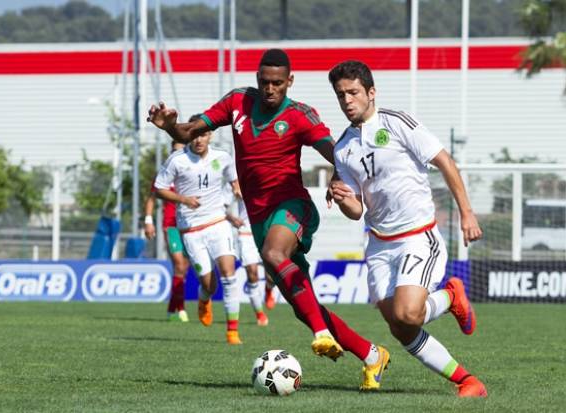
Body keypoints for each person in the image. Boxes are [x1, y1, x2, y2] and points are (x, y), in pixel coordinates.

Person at [147, 49, 390, 391]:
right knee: (304, 305)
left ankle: (321, 334)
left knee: (276, 256)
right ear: (257, 79)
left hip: (293, 207)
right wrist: (169, 125)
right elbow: (189, 132)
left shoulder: (300, 115)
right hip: (259, 217)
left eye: (278, 83)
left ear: (289, 81)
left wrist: (340, 180)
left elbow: (337, 152)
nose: (270, 89)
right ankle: (371, 355)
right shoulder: (237, 102)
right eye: (264, 82)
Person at [328, 60, 487, 397]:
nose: (347, 100)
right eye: (341, 95)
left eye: (353, 92)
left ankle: (450, 296)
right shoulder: (342, 147)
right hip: (378, 244)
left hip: (418, 236)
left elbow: (444, 161)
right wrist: (343, 199)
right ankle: (467, 381)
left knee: (409, 313)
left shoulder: (397, 123)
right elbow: (357, 210)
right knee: (399, 327)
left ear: (371, 93)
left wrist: (467, 213)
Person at [153, 114, 243, 345]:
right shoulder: (177, 160)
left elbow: (235, 181)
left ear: (210, 134)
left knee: (229, 275)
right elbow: (158, 189)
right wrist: (183, 199)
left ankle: (232, 331)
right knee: (208, 284)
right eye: (194, 134)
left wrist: (237, 189)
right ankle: (204, 298)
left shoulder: (223, 157)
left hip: (218, 222)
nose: (198, 139)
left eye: (203, 134)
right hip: (191, 229)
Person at [144, 141, 190, 322]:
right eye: (174, 150)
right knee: (179, 264)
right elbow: (151, 198)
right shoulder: (164, 174)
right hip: (170, 225)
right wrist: (148, 221)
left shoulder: (191, 172)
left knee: (184, 268)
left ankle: (173, 308)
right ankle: (182, 309)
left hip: (190, 225)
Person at [223, 187, 270, 326]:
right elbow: (219, 207)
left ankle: (269, 288)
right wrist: (232, 219)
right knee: (253, 274)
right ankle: (260, 314)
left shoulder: (268, 178)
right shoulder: (236, 182)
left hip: (266, 233)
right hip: (246, 234)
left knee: (272, 276)